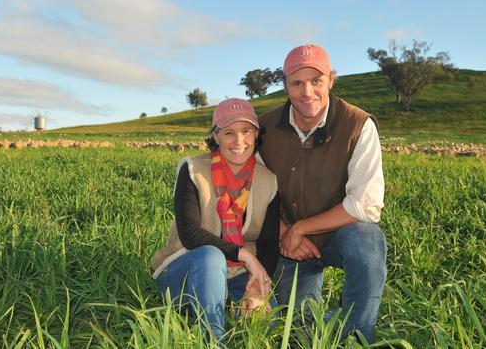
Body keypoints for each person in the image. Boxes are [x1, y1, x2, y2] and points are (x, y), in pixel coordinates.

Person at [258, 44, 387, 343]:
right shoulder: (263, 128)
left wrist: (301, 228)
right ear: (286, 85)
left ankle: (357, 336)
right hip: (286, 243)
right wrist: (282, 232)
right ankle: (324, 316)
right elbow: (251, 192)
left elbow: (365, 206)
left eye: (316, 81)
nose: (307, 92)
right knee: (299, 332)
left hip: (338, 233)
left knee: (367, 240)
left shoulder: (358, 125)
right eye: (297, 83)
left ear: (330, 80)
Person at [151, 98, 280, 342]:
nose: (239, 141)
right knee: (211, 256)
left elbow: (270, 242)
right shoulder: (193, 170)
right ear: (215, 136)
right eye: (229, 132)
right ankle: (212, 339)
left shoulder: (269, 180)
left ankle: (221, 305)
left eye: (246, 131)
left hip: (239, 273)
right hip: (187, 267)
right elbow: (190, 234)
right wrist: (246, 256)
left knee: (268, 322)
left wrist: (256, 286)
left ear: (256, 134)